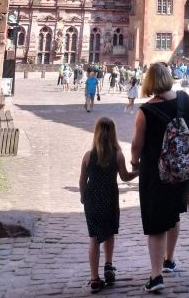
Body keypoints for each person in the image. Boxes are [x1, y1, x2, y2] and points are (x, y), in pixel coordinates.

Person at [130, 62, 189, 293]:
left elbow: (136, 144)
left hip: (156, 172)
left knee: (156, 222)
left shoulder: (145, 111)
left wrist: (134, 163)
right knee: (173, 213)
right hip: (183, 170)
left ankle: (156, 276)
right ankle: (169, 259)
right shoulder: (185, 99)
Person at [79, 116, 139, 293]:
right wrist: (138, 171)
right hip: (109, 198)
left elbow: (82, 180)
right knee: (110, 232)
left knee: (94, 238)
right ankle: (108, 265)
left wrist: (83, 196)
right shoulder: (117, 155)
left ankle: (94, 278)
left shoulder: (88, 156)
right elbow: (125, 177)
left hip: (92, 199)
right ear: (113, 133)